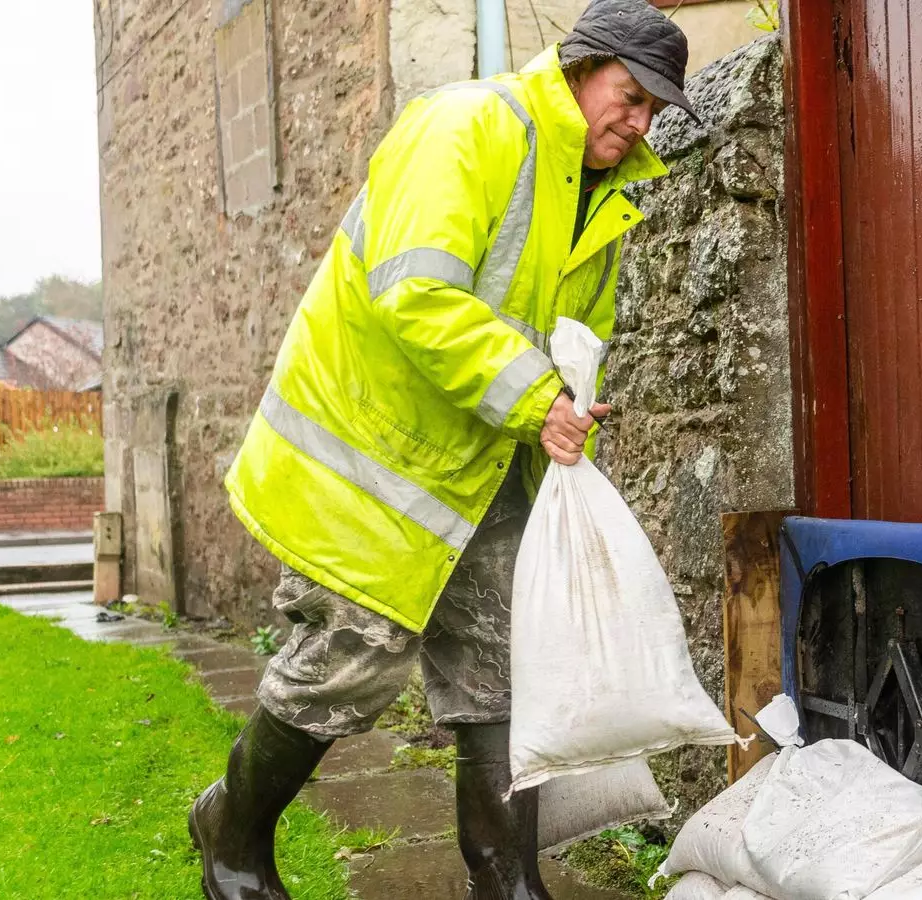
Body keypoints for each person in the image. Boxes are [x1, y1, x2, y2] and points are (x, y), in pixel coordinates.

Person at [188, 1, 697, 897]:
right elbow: (413, 290)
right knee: (347, 665)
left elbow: (579, 331)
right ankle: (231, 831)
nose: (641, 122)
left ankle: (504, 881)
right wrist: (538, 397)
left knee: (505, 672)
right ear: (582, 68)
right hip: (373, 456)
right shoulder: (467, 126)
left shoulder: (603, 193)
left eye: (656, 109)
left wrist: (569, 403)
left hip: (490, 460)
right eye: (632, 96)